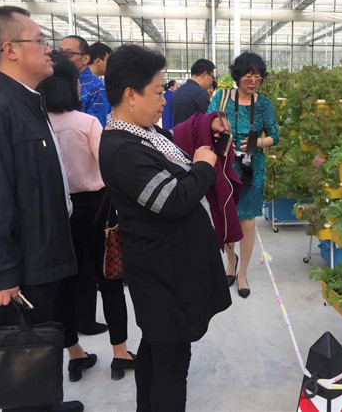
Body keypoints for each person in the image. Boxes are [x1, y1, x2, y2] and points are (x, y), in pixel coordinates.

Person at [0, 5, 83, 412]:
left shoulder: (26, 101)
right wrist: (3, 274)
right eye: (40, 41)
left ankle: (47, 404)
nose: (49, 50)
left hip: (40, 255)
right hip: (18, 269)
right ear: (9, 49)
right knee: (20, 361)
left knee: (39, 350)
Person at [99, 44, 232, 411]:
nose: (163, 101)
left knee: (157, 346)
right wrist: (203, 168)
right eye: (158, 92)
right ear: (130, 95)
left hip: (165, 267)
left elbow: (177, 137)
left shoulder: (143, 134)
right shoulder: (123, 149)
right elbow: (172, 200)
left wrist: (207, 125)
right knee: (172, 358)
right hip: (162, 272)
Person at [37, 54, 136, 382]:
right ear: (71, 86)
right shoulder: (86, 122)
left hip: (57, 213)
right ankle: (120, 354)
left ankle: (74, 355)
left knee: (65, 287)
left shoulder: (39, 124)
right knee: (110, 281)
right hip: (97, 209)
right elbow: (108, 166)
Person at [208, 52, 279, 299]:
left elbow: (275, 135)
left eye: (258, 77)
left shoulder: (264, 104)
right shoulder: (222, 97)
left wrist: (259, 142)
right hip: (226, 165)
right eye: (249, 76)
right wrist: (219, 134)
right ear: (238, 76)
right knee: (228, 218)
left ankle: (243, 273)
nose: (253, 81)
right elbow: (207, 123)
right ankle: (231, 261)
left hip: (252, 167)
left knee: (247, 222)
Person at [60, 35, 112, 335]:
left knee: (74, 261)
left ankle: (72, 323)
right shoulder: (86, 113)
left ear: (85, 57)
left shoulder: (94, 89)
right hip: (88, 194)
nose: (65, 56)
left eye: (70, 52)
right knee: (89, 261)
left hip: (65, 195)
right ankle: (83, 319)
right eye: (62, 52)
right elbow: (101, 151)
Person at [60, 35, 111, 128]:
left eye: (69, 53)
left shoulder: (98, 87)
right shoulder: (55, 81)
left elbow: (97, 125)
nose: (63, 58)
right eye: (61, 53)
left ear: (85, 59)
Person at [171, 58, 215, 126]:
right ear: (204, 75)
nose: (211, 82)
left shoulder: (177, 92)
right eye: (212, 78)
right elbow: (207, 123)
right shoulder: (200, 94)